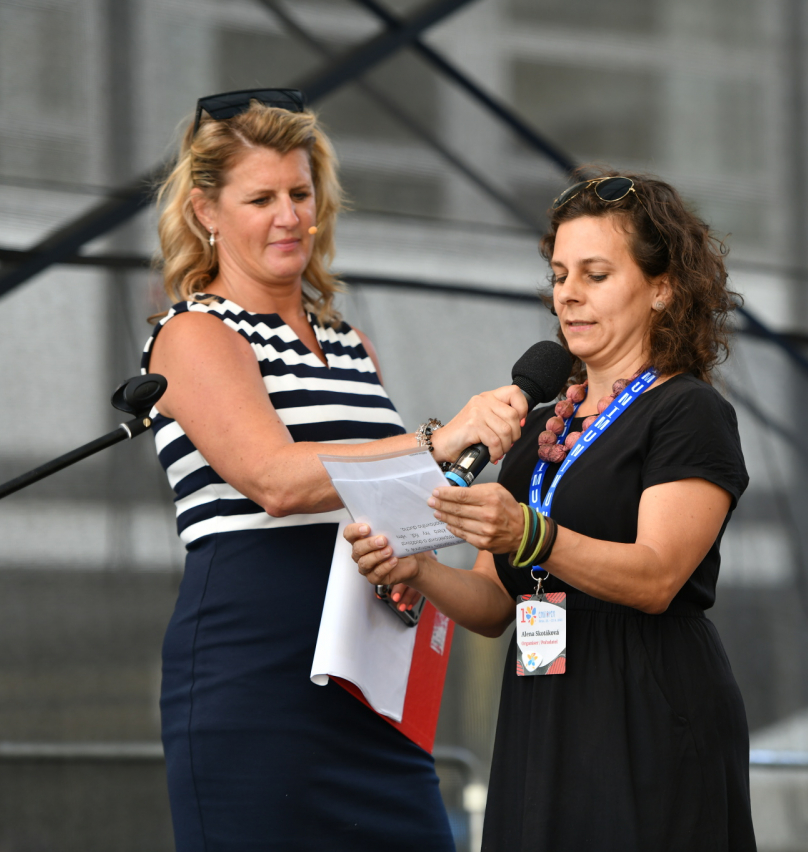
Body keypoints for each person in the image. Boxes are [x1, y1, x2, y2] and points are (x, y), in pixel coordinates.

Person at [140, 88, 527, 852]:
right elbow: (275, 480)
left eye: (300, 192)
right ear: (205, 211)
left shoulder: (351, 344)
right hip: (254, 673)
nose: (288, 215)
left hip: (367, 670)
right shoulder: (191, 333)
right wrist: (440, 440)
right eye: (261, 199)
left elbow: (378, 490)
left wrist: (435, 534)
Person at [347, 169, 757, 850]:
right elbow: (493, 603)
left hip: (647, 703)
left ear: (662, 288)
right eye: (560, 275)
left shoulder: (688, 410)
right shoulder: (539, 425)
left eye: (596, 274)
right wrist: (416, 569)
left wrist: (530, 534)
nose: (568, 293)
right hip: (543, 704)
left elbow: (657, 577)